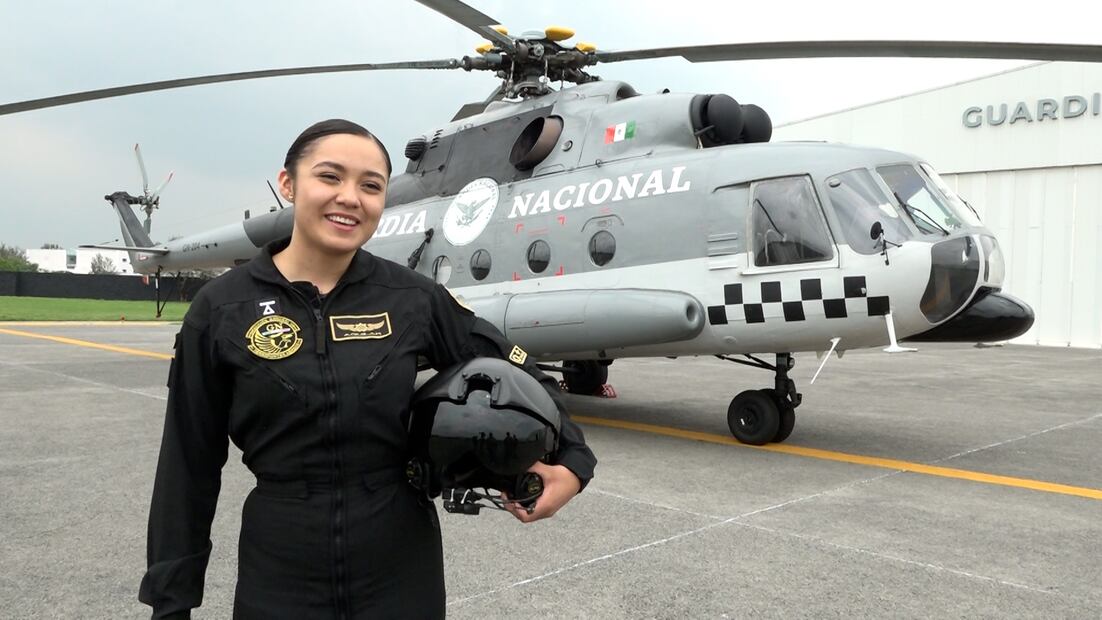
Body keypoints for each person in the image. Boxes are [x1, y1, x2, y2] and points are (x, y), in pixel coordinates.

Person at [138, 119, 597, 619]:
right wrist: (171, 603)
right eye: (330, 177)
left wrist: (574, 461)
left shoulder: (412, 298)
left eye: (371, 186)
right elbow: (187, 464)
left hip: (399, 570)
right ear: (288, 184)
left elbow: (517, 367)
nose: (350, 198)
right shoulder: (222, 309)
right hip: (280, 571)